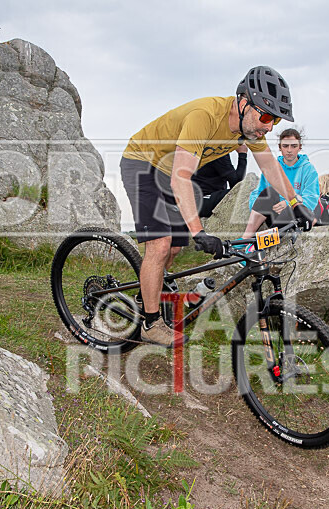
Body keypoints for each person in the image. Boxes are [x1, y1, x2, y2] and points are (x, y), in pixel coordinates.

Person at [120, 66, 314, 347]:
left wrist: (297, 204)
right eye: (266, 116)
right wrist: (199, 231)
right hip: (143, 162)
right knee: (160, 245)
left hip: (170, 170)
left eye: (275, 121)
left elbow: (270, 166)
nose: (269, 127)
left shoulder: (250, 132)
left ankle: (145, 294)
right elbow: (181, 177)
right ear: (244, 102)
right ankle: (150, 324)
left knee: (175, 246)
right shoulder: (206, 116)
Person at [240, 128, 319, 237]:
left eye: (294, 146)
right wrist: (257, 207)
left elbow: (311, 199)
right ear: (280, 148)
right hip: (273, 214)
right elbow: (258, 192)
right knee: (270, 192)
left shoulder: (308, 169)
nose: (289, 150)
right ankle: (246, 238)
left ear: (300, 147)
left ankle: (262, 242)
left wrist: (288, 203)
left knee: (297, 211)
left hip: (293, 216)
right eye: (285, 146)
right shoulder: (273, 167)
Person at [191, 143, 248, 218]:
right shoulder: (217, 152)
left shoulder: (207, 146)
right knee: (246, 192)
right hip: (202, 201)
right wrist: (242, 154)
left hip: (194, 201)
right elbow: (236, 185)